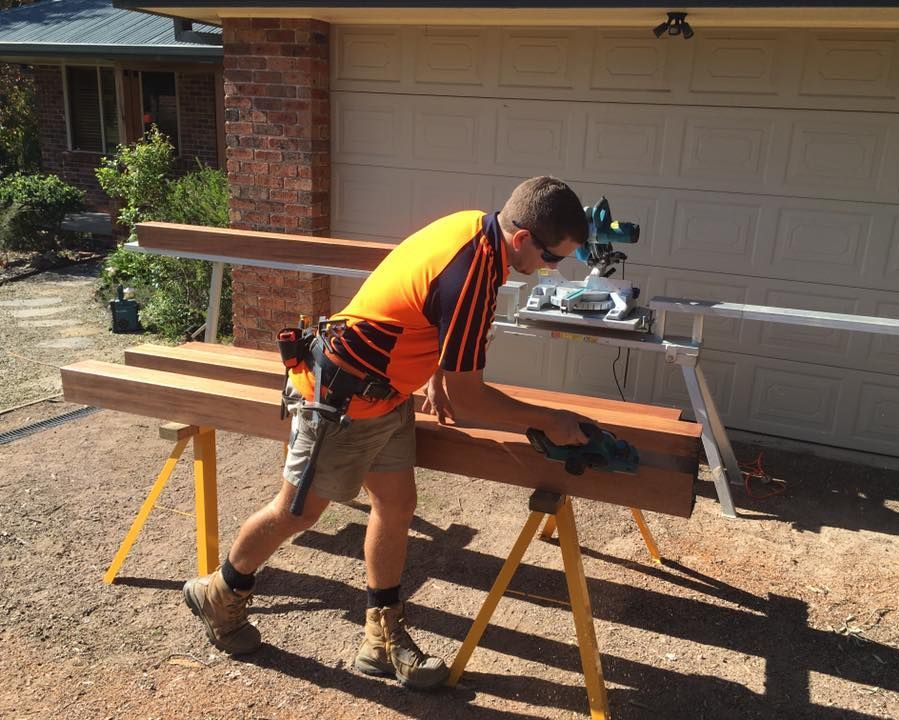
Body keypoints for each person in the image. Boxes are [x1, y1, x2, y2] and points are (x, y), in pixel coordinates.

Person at [182, 176, 593, 690]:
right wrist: (552, 420)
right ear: (521, 239)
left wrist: (442, 374)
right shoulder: (473, 271)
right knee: (298, 511)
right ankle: (219, 593)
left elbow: (429, 316)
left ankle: (381, 639)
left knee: (396, 505)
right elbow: (469, 399)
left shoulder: (474, 229)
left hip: (388, 390)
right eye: (553, 258)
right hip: (340, 395)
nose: (552, 270)